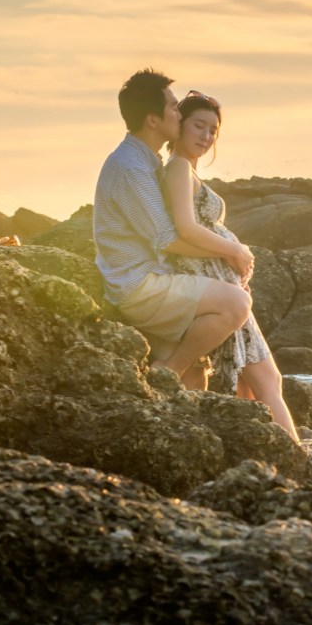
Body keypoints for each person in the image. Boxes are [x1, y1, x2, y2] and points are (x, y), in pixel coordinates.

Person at [93, 68, 254, 391]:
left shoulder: (146, 160)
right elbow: (169, 238)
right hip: (139, 284)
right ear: (153, 119)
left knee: (198, 373)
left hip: (155, 277)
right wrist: (233, 251)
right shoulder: (130, 167)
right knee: (235, 304)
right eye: (173, 107)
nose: (179, 113)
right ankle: (165, 374)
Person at [166, 89, 299, 442]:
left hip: (221, 285)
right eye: (199, 126)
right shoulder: (178, 168)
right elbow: (184, 228)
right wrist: (234, 252)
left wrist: (232, 260)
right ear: (178, 124)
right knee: (266, 380)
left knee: (252, 383)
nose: (206, 137)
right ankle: (300, 467)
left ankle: (266, 460)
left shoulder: (187, 171)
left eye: (213, 131)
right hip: (210, 285)